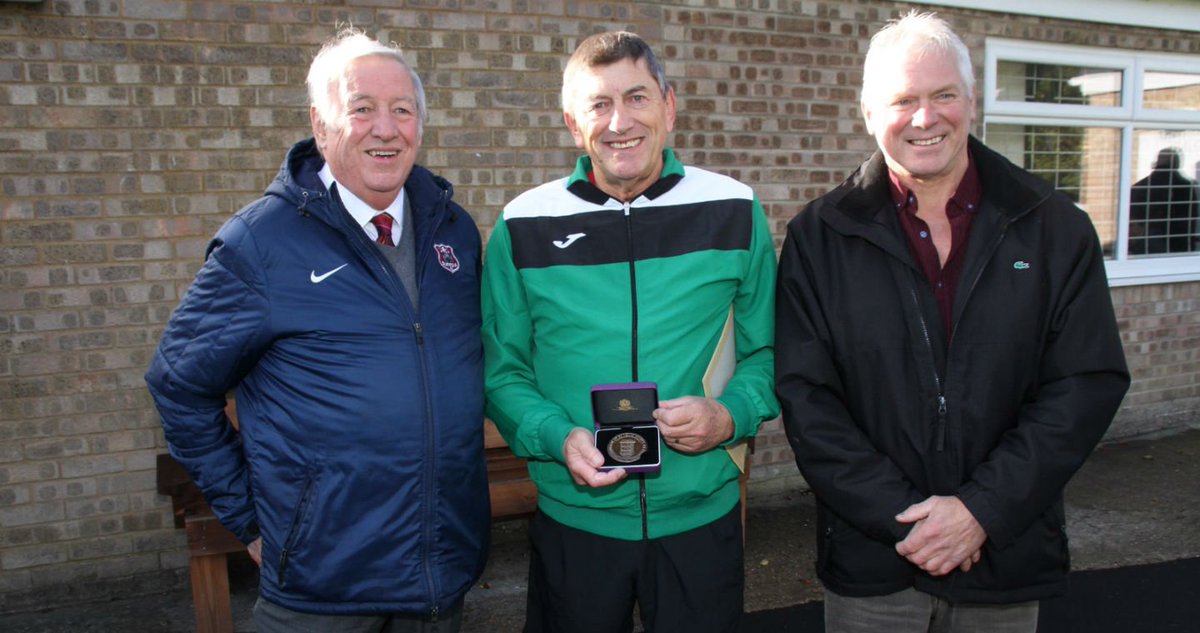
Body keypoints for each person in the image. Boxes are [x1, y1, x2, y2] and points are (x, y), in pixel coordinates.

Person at [774, 12, 1130, 633]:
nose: (925, 117)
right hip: (874, 566)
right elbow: (808, 399)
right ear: (867, 112)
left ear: (972, 100)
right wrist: (905, 519)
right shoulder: (818, 237)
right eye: (903, 99)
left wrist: (980, 511)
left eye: (943, 95)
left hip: (1002, 557)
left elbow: (1084, 384)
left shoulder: (1055, 228)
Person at [145, 28, 488, 632]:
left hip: (439, 575)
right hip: (321, 588)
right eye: (361, 109)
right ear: (320, 122)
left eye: (401, 110)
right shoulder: (262, 243)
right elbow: (177, 384)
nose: (385, 128)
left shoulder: (453, 229)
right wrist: (253, 521)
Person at [481, 31, 779, 633]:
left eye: (637, 98)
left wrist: (730, 416)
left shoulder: (734, 209)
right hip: (577, 522)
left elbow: (769, 350)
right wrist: (557, 436)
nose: (620, 122)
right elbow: (502, 371)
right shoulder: (522, 225)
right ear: (573, 122)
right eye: (598, 104)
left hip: (700, 518)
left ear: (668, 106)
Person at [1129, 147, 1199, 255]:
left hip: (1145, 244)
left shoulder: (1141, 186)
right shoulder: (1186, 187)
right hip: (1179, 247)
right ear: (1176, 163)